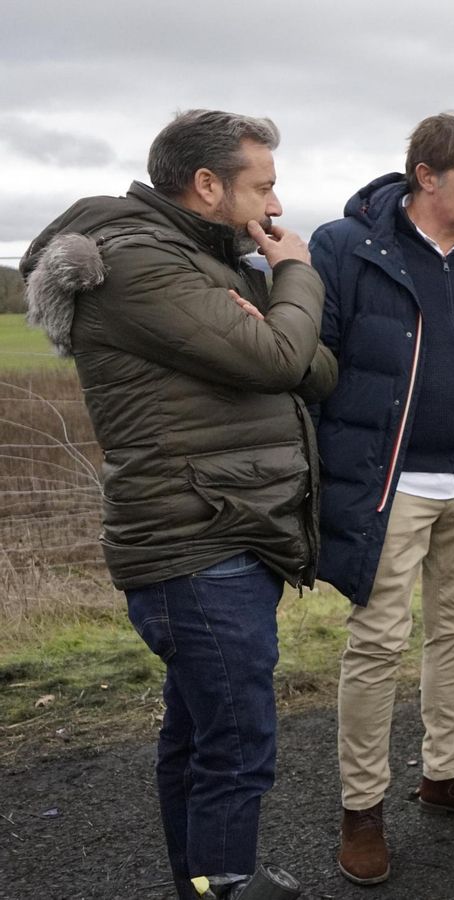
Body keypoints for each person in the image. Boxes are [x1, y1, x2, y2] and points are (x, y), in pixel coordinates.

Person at [20, 109, 332, 900]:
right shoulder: (139, 265)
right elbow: (283, 356)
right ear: (205, 184)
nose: (275, 206)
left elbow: (313, 367)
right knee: (235, 738)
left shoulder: (202, 262)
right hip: (198, 545)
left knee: (200, 731)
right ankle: (224, 882)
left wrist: (275, 337)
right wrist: (295, 273)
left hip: (226, 531)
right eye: (262, 185)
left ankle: (201, 880)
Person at [309, 112, 454, 885]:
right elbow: (317, 360)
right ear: (425, 177)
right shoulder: (347, 248)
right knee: (376, 644)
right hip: (391, 484)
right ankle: (361, 811)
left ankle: (445, 774)